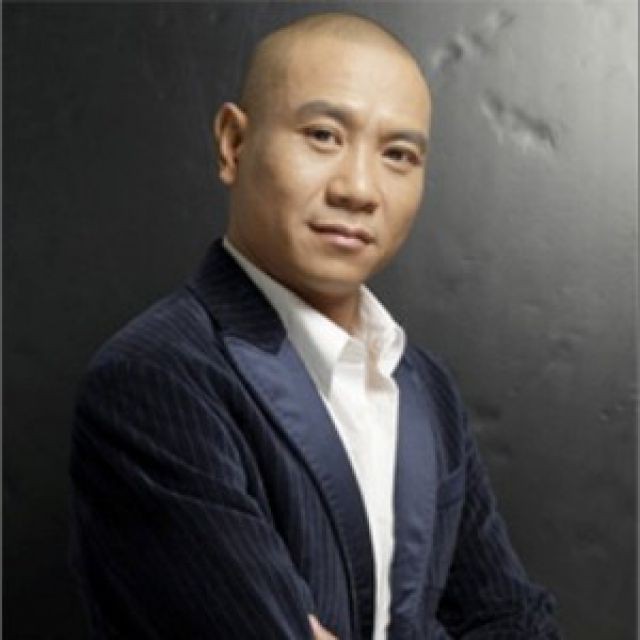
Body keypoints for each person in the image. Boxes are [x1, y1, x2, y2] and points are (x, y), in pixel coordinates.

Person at [69, 12, 561, 640]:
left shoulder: (424, 385)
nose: (359, 189)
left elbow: (514, 619)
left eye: (398, 154)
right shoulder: (154, 378)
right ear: (233, 144)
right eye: (324, 135)